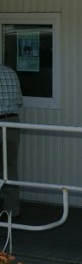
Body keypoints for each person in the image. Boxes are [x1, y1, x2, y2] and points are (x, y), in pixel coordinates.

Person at [0, 63, 22, 217]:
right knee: (10, 167)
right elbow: (19, 100)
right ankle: (12, 210)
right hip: (12, 122)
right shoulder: (11, 73)